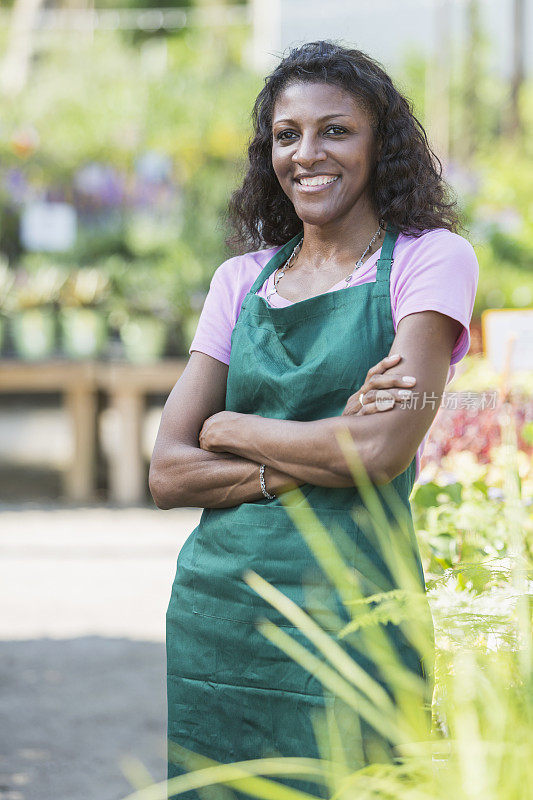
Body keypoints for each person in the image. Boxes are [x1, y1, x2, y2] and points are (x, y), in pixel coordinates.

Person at [149, 40, 479, 799]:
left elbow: (380, 448)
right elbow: (167, 470)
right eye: (286, 134)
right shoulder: (241, 278)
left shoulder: (431, 259)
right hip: (222, 618)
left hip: (356, 612)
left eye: (336, 130)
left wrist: (228, 429)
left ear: (379, 143)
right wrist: (316, 448)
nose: (307, 153)